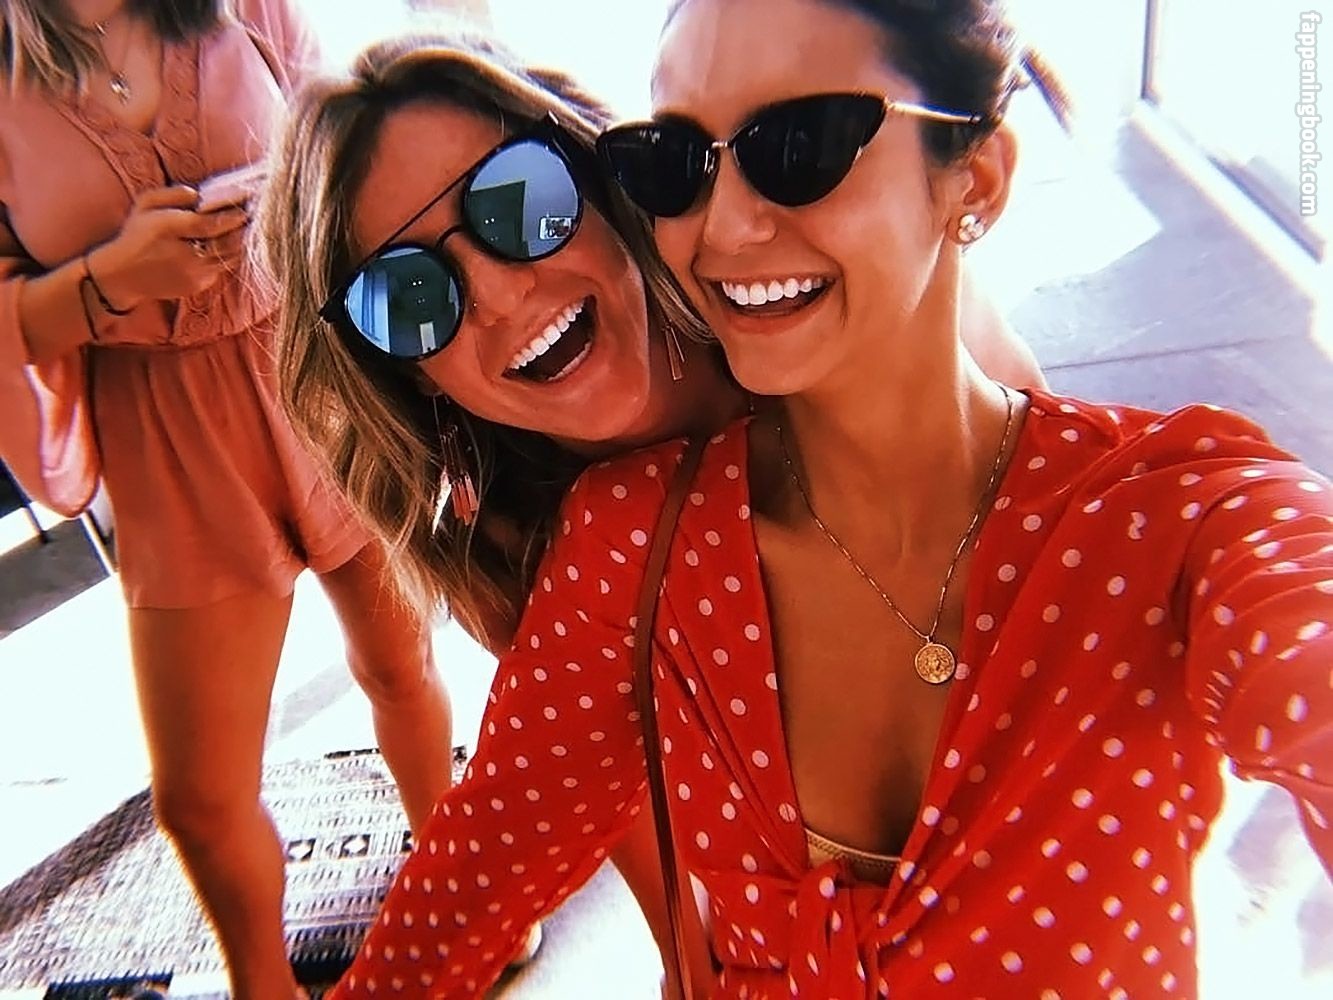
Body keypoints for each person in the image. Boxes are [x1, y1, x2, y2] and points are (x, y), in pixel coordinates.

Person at [305, 0, 1331, 996]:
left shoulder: (1164, 519)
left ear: (974, 179)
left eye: (801, 145)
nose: (725, 225)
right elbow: (506, 883)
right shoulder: (606, 546)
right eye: (681, 162)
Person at [257, 22, 1049, 993]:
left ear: (600, 180)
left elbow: (1064, 547)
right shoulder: (535, 547)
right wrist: (692, 965)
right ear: (405, 370)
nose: (499, 294)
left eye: (518, 202)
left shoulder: (842, 309)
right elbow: (607, 813)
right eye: (409, 295)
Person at [0, 3, 451, 997]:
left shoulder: (244, 8)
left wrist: (295, 198)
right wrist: (108, 279)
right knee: (200, 798)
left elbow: (350, 147)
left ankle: (456, 890)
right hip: (164, 440)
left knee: (400, 663)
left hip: (321, 374)